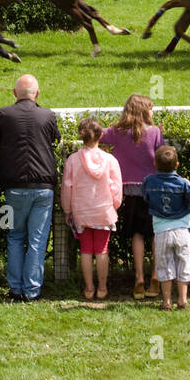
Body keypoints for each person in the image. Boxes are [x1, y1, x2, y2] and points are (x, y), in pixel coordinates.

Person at [0, 74, 60, 302]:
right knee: (38, 239)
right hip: (43, 187)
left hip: (13, 188)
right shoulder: (48, 115)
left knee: (14, 236)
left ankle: (16, 288)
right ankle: (32, 290)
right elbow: (55, 139)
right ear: (37, 94)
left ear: (14, 93)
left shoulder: (4, 114)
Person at [100, 94, 164, 299]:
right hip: (152, 190)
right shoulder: (154, 132)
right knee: (155, 234)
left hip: (126, 191)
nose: (153, 112)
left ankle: (139, 279)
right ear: (144, 111)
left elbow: (95, 134)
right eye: (150, 108)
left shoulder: (116, 132)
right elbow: (162, 158)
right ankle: (155, 276)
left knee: (136, 235)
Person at [61, 117, 123, 301]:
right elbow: (117, 187)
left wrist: (67, 210)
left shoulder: (73, 160)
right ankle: (102, 288)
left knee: (86, 250)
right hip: (103, 209)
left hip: (81, 209)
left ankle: (89, 288)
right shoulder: (110, 159)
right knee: (102, 250)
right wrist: (114, 206)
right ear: (101, 135)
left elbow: (66, 187)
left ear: (81, 136)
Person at [143, 145, 190, 310]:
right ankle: (182, 300)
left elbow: (146, 197)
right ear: (177, 165)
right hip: (182, 229)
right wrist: (189, 186)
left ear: (155, 163)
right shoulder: (183, 183)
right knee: (183, 261)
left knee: (164, 264)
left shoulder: (149, 181)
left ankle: (166, 301)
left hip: (161, 230)